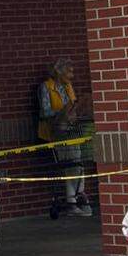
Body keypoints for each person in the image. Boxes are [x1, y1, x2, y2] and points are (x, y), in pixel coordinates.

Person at [38, 58, 91, 216]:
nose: (71, 75)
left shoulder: (68, 86)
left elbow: (72, 106)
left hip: (71, 129)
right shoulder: (46, 87)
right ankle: (71, 201)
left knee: (78, 162)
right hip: (57, 131)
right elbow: (44, 112)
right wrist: (62, 112)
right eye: (69, 72)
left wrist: (74, 112)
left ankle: (79, 195)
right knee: (70, 164)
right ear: (58, 72)